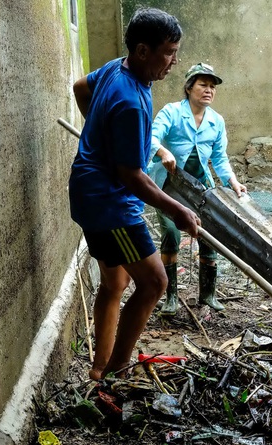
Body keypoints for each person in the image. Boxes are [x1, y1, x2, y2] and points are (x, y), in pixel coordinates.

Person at [68, 8, 200, 381]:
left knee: (115, 282)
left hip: (88, 194)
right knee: (155, 282)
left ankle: (98, 369)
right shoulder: (130, 103)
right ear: (143, 51)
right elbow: (131, 176)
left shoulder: (116, 68)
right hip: (111, 209)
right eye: (169, 52)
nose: (175, 61)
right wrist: (178, 210)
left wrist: (98, 134)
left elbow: (81, 87)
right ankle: (116, 372)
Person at [148, 63, 246, 316]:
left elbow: (220, 157)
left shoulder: (216, 121)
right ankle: (171, 297)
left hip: (201, 187)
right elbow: (150, 137)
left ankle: (208, 295)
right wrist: (162, 151)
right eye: (203, 84)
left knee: (208, 236)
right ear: (189, 87)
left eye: (212, 86)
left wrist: (232, 181)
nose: (208, 90)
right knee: (171, 235)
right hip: (170, 187)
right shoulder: (171, 112)